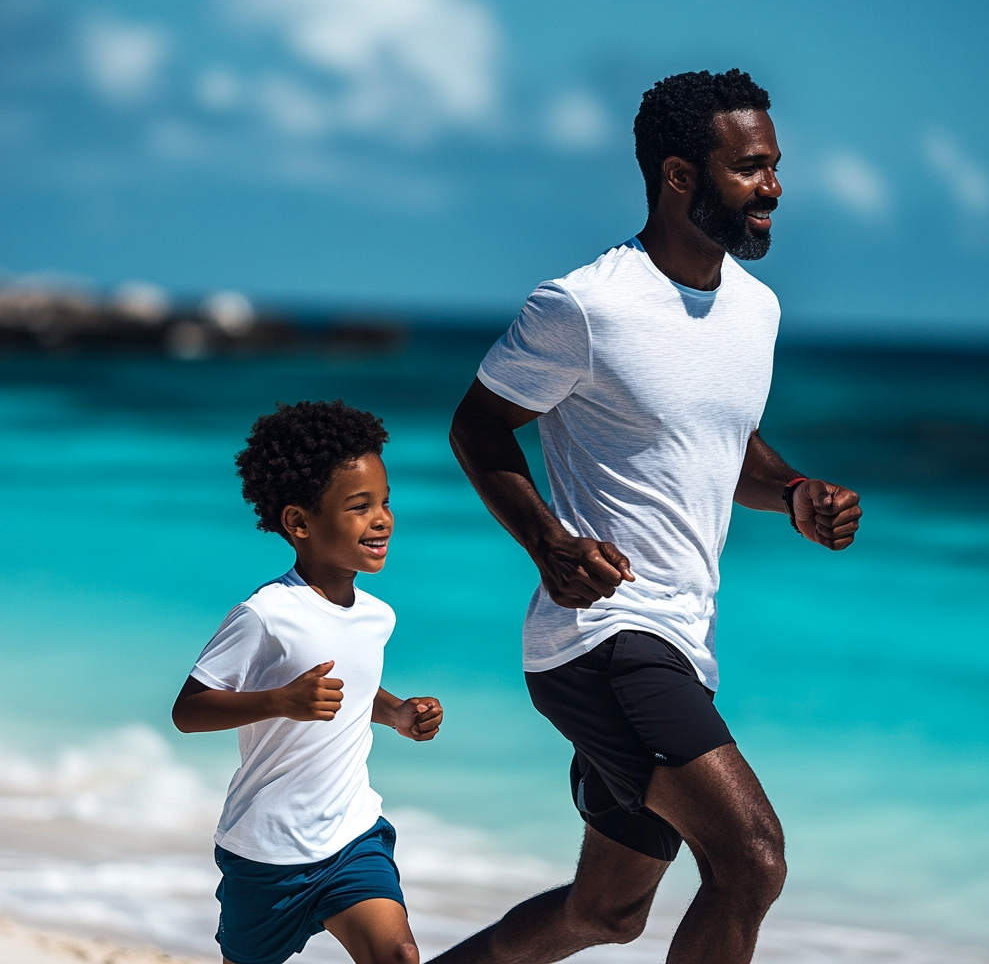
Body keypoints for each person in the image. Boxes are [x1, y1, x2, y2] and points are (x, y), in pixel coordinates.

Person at [438, 70, 862, 964]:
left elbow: (724, 440)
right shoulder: (585, 306)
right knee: (752, 859)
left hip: (685, 639)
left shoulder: (757, 310)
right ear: (678, 176)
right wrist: (549, 543)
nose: (775, 188)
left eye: (776, 166)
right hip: (603, 640)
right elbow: (478, 425)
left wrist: (791, 493)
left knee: (607, 914)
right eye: (750, 168)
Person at [172, 399, 443, 964]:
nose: (383, 518)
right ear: (299, 523)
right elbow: (189, 710)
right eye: (359, 506)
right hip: (267, 850)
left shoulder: (377, 616)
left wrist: (395, 713)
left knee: (399, 955)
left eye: (385, 502)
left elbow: (353, 690)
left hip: (352, 833)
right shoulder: (267, 614)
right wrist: (279, 701)